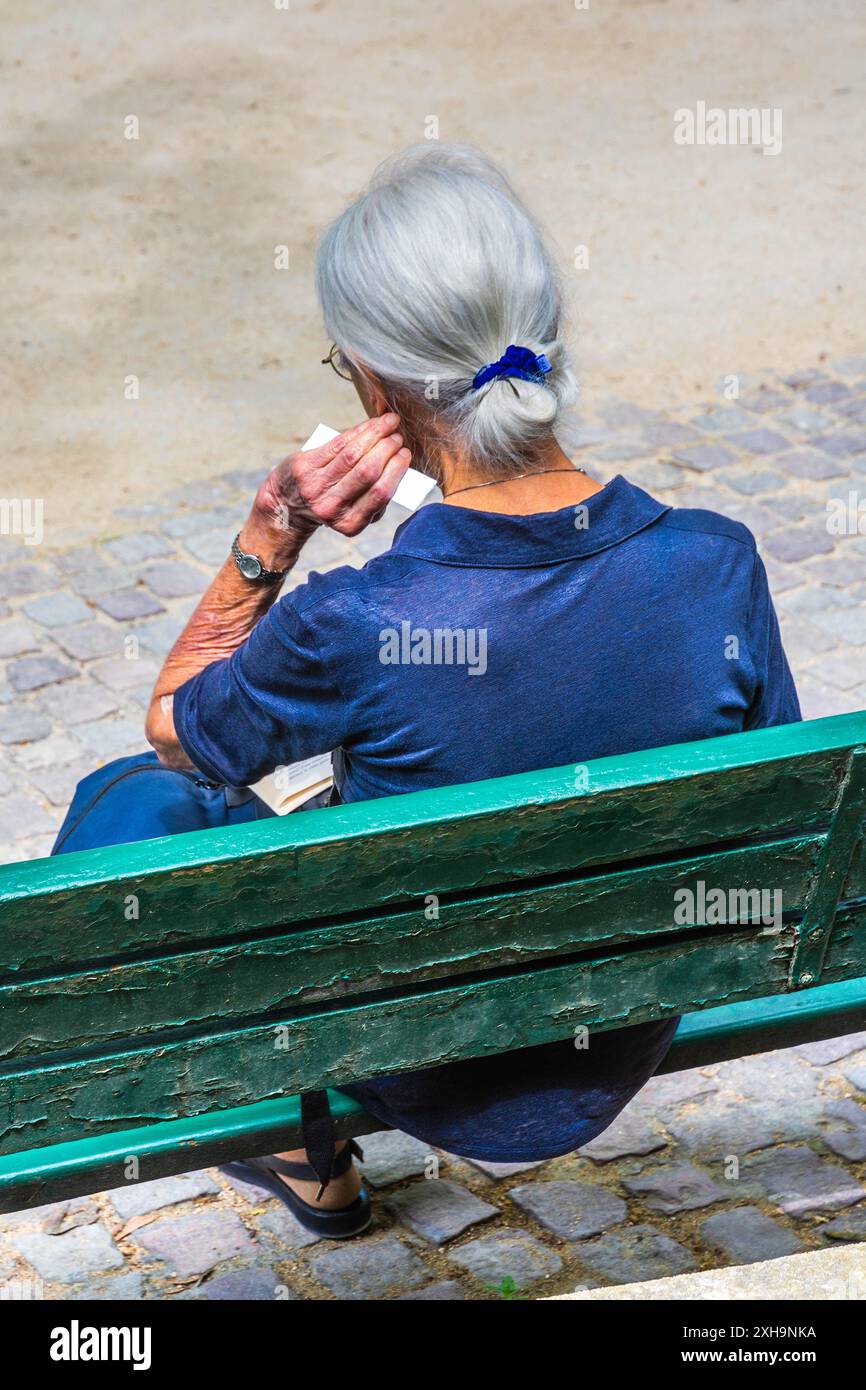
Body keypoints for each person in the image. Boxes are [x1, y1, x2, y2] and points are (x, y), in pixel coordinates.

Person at [53, 144, 800, 1238]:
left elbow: (176, 726)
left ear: (370, 383)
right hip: (622, 1031)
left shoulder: (355, 620)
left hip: (417, 1060)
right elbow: (766, 820)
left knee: (135, 801)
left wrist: (271, 534)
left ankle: (298, 1145)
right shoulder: (713, 563)